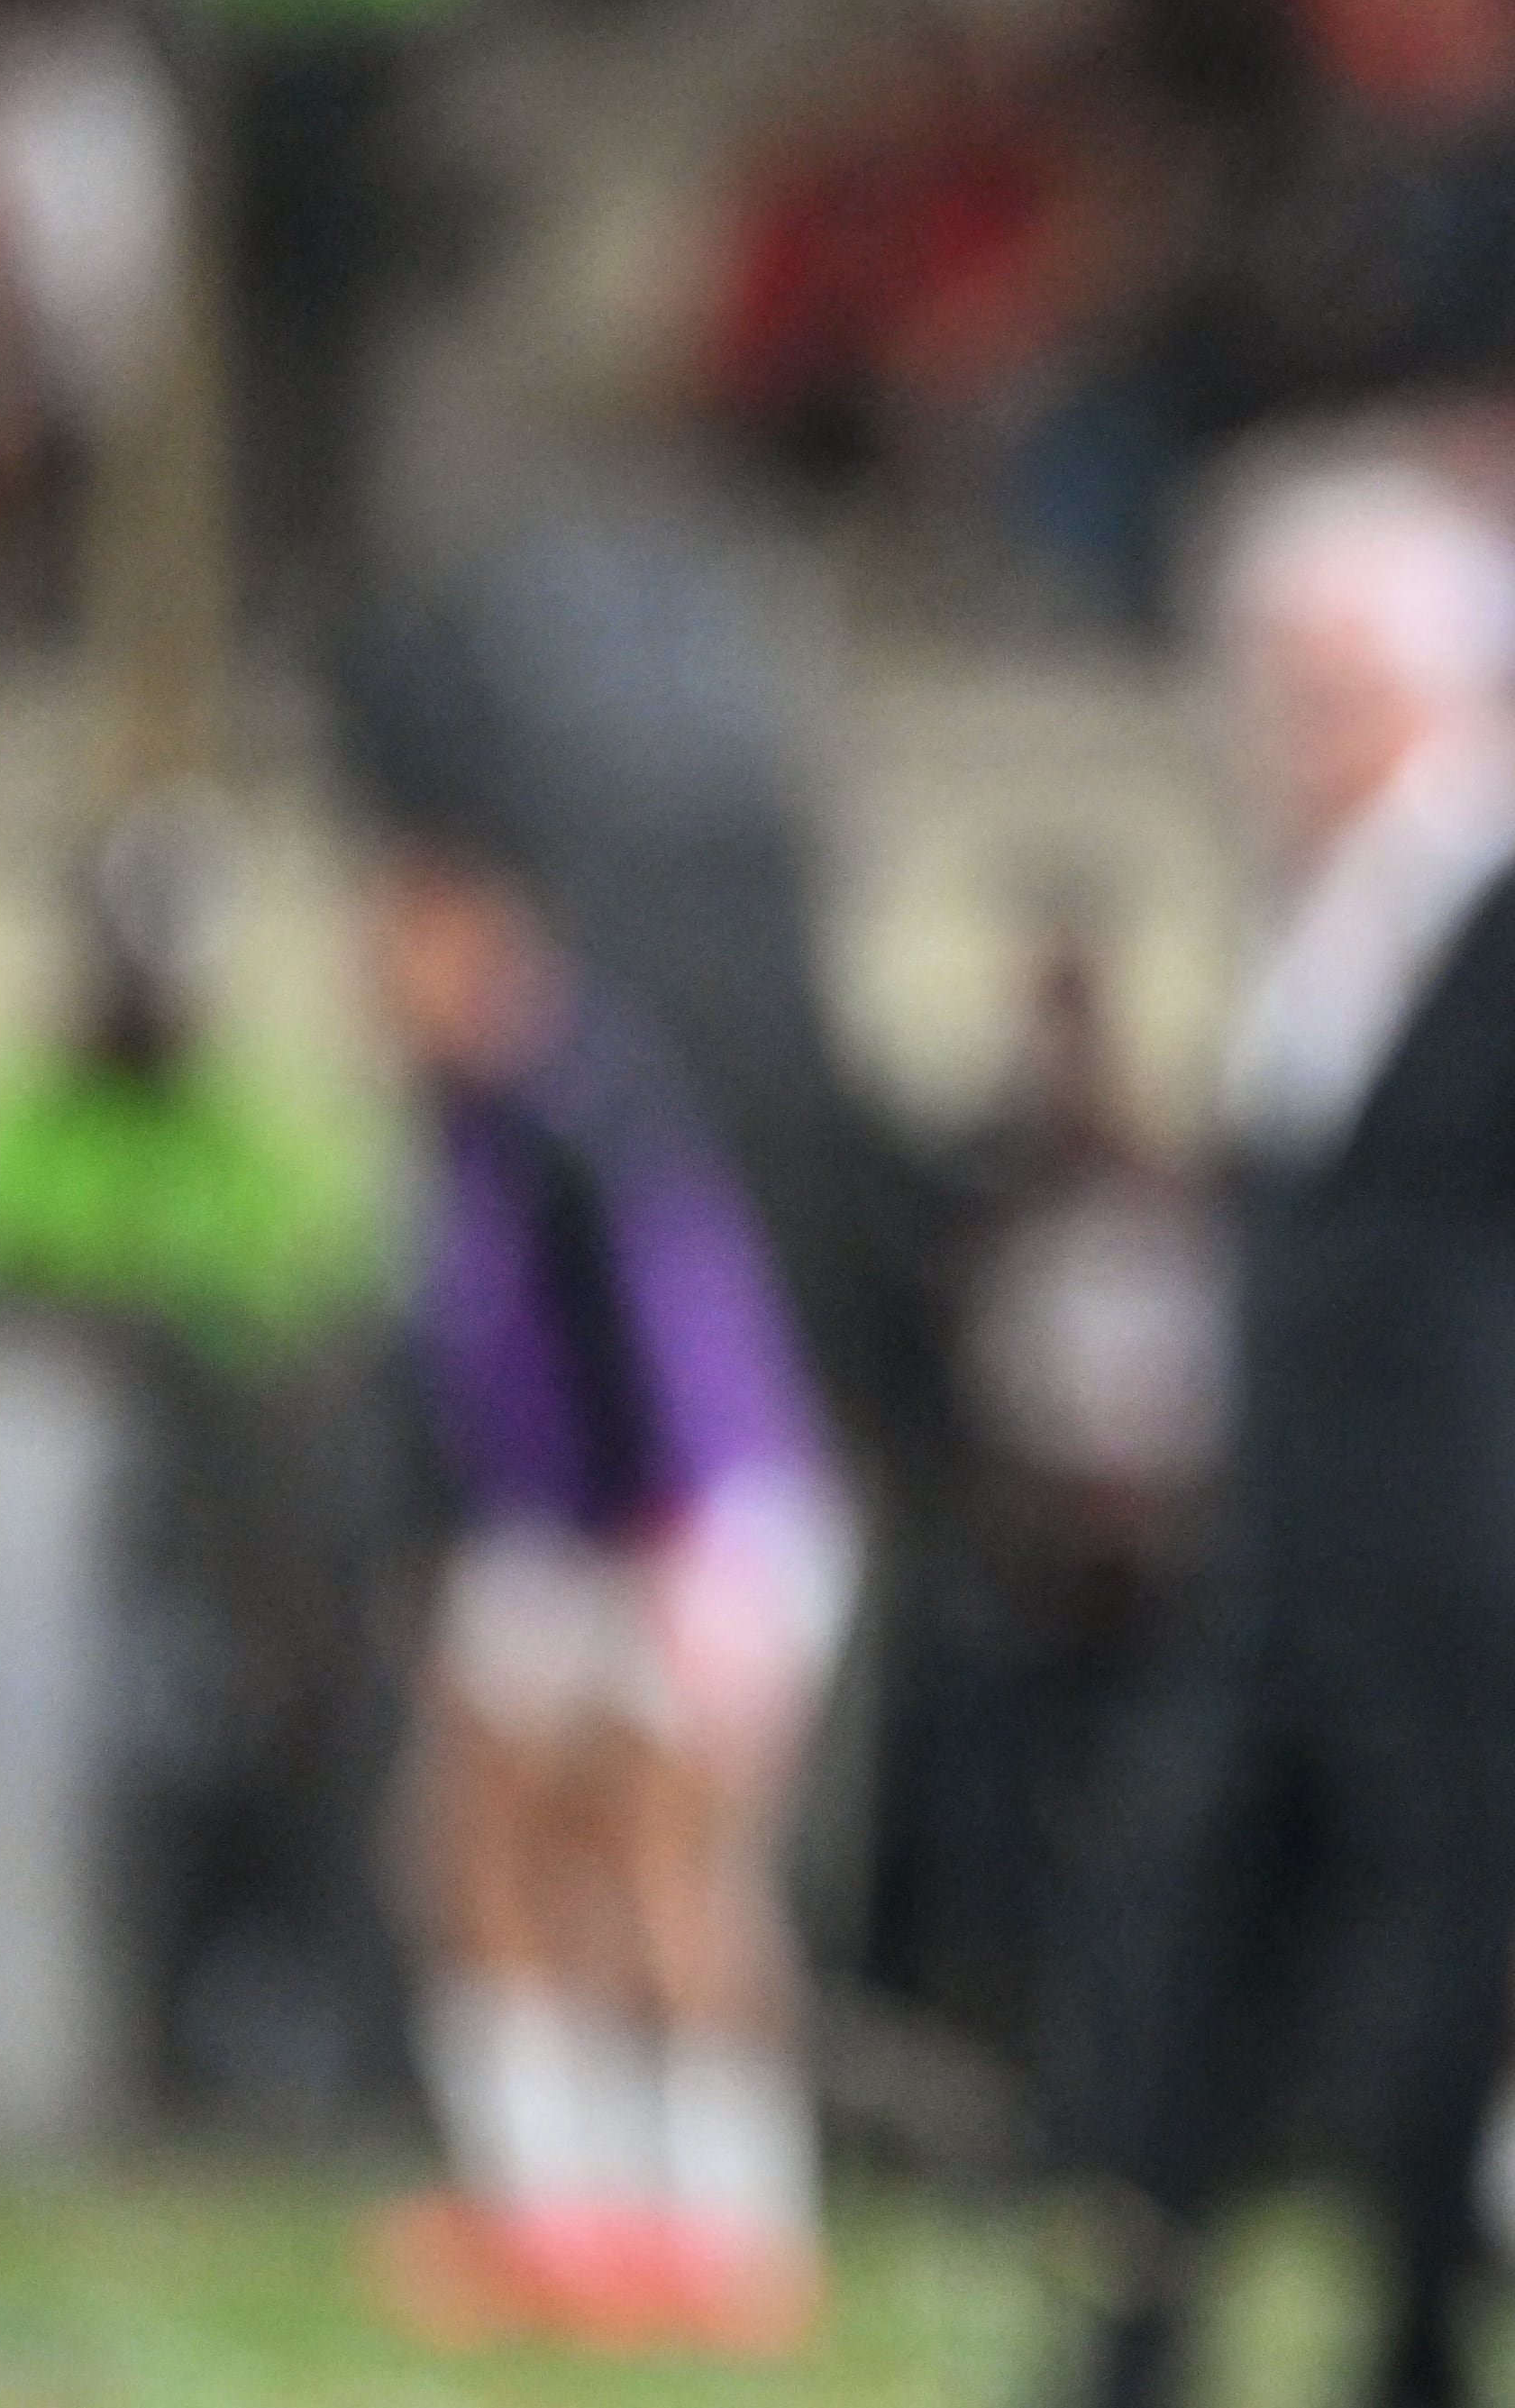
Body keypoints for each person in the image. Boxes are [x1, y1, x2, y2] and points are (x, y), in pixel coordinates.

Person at [1054, 461, 1515, 2408]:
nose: (1268, 730)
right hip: (1295, 1554)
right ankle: (1136, 2327)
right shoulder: (1316, 932)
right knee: (1186, 1949)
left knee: (1437, 1989)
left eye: (1309, 685)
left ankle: (1414, 2352)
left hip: (1476, 1571)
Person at [364, 838, 859, 2356]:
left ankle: (737, 2217)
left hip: (686, 1524)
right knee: (490, 1843)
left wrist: (674, 1557)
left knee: (667, 1860)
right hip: (560, 1532)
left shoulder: (588, 1105)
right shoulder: (470, 1118)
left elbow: (667, 1337)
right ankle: (558, 2196)